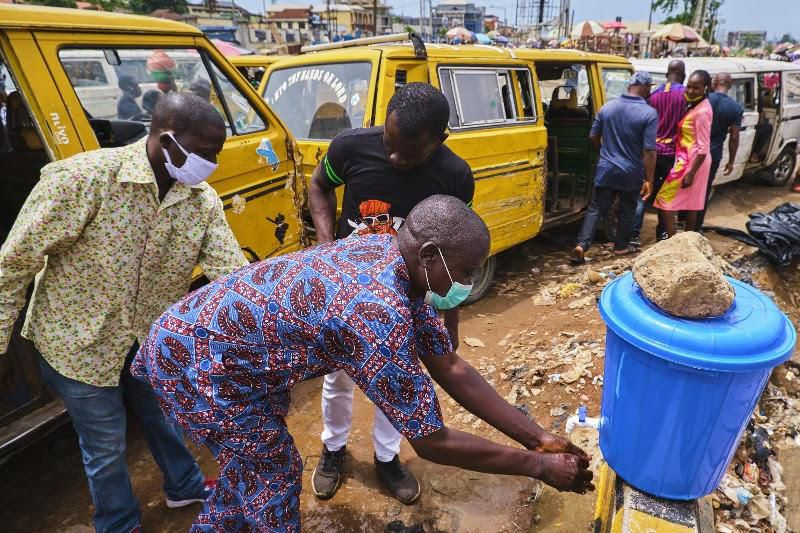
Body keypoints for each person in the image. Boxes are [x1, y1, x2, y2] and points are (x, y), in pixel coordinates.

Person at [131, 195, 594, 532]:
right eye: (467, 270)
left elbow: (448, 365)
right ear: (431, 255)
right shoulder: (376, 311)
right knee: (273, 472)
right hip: (196, 362)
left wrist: (539, 439)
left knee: (250, 465)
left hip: (226, 348)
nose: (470, 282)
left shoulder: (396, 257)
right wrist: (535, 467)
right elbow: (431, 441)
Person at [0, 93, 249, 533]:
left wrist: (267, 326)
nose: (212, 163)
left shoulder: (200, 199)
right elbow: (14, 262)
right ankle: (118, 523)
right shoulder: (82, 180)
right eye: (206, 153)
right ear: (167, 140)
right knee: (106, 444)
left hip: (149, 337)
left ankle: (184, 485)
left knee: (163, 413)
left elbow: (231, 274)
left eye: (217, 153)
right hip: (77, 342)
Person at [307, 82, 474, 504]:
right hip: (347, 291)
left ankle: (386, 457)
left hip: (406, 297)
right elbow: (318, 186)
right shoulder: (349, 147)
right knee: (338, 376)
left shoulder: (455, 176)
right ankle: (333, 450)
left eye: (409, 153)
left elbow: (451, 250)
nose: (394, 158)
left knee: (398, 379)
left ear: (440, 140)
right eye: (389, 144)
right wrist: (327, 245)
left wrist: (448, 316)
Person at [571, 71, 657, 265]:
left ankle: (581, 245)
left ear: (629, 86)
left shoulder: (608, 107)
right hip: (631, 171)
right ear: (645, 88)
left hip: (606, 168)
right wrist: (649, 180)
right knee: (627, 209)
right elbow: (649, 151)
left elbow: (593, 136)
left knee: (596, 208)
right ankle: (620, 247)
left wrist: (604, 153)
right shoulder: (649, 113)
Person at [631, 60, 687, 246]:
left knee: (644, 192)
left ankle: (634, 235)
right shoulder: (686, 96)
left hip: (650, 152)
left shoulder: (653, 95)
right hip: (673, 154)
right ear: (683, 73)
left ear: (667, 74)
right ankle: (662, 233)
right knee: (667, 196)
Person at [654, 70, 714, 237]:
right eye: (689, 87)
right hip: (689, 159)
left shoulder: (703, 112)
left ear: (705, 88)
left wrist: (691, 173)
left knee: (664, 200)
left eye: (696, 88)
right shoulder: (696, 105)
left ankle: (675, 240)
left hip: (693, 162)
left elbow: (703, 147)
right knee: (691, 202)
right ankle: (687, 239)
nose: (690, 91)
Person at [697, 73, 743, 229]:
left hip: (694, 151)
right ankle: (696, 225)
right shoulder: (735, 107)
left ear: (714, 83)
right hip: (714, 154)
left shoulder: (703, 100)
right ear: (729, 86)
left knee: (688, 184)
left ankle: (683, 217)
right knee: (704, 189)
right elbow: (734, 137)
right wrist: (731, 161)